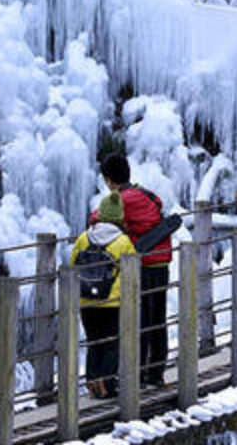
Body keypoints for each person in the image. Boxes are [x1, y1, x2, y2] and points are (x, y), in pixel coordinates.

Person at [96, 154, 171, 386]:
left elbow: (98, 219)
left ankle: (136, 374)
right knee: (157, 318)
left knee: (140, 319)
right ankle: (156, 372)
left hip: (144, 265)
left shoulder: (121, 199)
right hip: (161, 261)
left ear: (109, 180)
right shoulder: (145, 193)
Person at [70, 192, 136, 399]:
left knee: (94, 342)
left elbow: (73, 263)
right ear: (119, 217)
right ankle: (107, 383)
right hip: (112, 303)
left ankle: (91, 381)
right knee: (111, 342)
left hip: (86, 301)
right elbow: (133, 269)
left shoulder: (84, 237)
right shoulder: (123, 241)